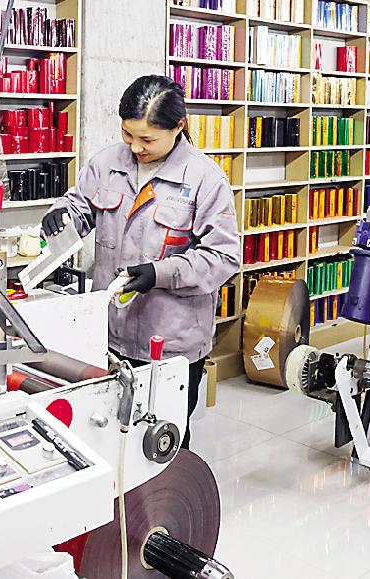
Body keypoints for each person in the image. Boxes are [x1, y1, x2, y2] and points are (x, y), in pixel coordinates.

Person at [41, 75, 241, 448]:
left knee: (161, 442)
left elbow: (223, 257)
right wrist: (61, 214)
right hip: (109, 334)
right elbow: (80, 205)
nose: (135, 147)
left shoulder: (205, 180)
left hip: (170, 343)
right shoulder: (106, 163)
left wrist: (160, 273)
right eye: (127, 134)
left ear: (178, 126)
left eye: (147, 139)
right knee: (108, 436)